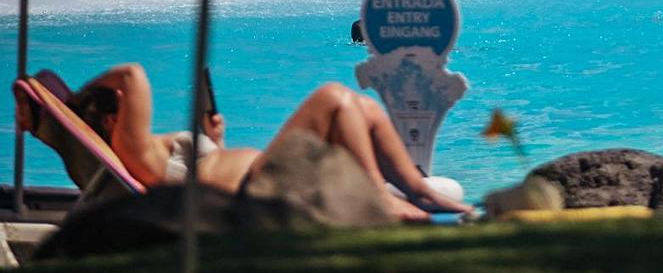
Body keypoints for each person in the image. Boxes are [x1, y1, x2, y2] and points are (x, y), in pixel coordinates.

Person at [14, 64, 473, 221]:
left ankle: (418, 189)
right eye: (119, 103)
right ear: (112, 117)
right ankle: (378, 197)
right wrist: (77, 100)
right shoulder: (133, 150)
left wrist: (213, 139)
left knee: (359, 106)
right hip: (256, 189)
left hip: (257, 177)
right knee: (333, 98)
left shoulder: (149, 148)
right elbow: (132, 73)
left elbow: (203, 168)